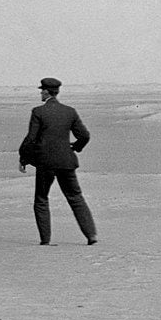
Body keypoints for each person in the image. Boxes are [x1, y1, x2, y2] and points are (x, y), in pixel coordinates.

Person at [17, 77, 98, 245]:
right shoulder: (70, 111)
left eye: (42, 90)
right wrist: (75, 147)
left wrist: (23, 158)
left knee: (41, 199)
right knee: (75, 197)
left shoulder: (38, 112)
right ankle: (92, 236)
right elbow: (84, 135)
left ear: (47, 92)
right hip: (66, 161)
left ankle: (45, 241)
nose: (40, 92)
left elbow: (31, 139)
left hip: (45, 163)